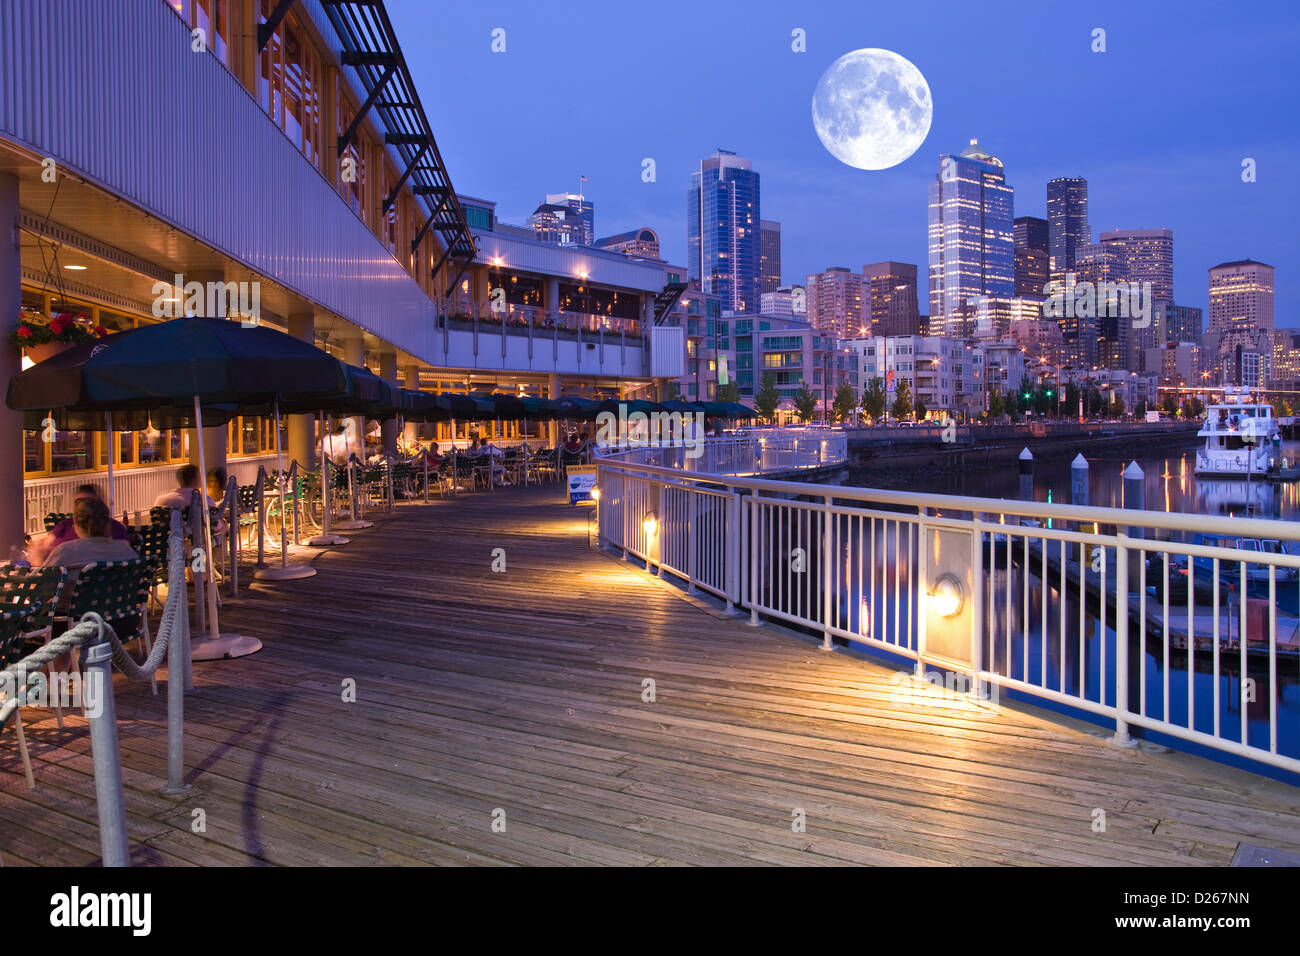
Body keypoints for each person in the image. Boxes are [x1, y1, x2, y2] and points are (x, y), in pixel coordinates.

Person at [27, 484, 129, 565]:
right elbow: (44, 547)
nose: (82, 507)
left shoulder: (66, 551)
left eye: (88, 503)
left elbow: (45, 582)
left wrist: (37, 563)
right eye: (78, 503)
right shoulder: (126, 551)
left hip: (63, 585)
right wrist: (39, 549)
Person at [43, 497, 140, 572]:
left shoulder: (65, 551)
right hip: (117, 596)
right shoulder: (126, 550)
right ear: (108, 524)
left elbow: (40, 586)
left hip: (76, 598)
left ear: (76, 526)